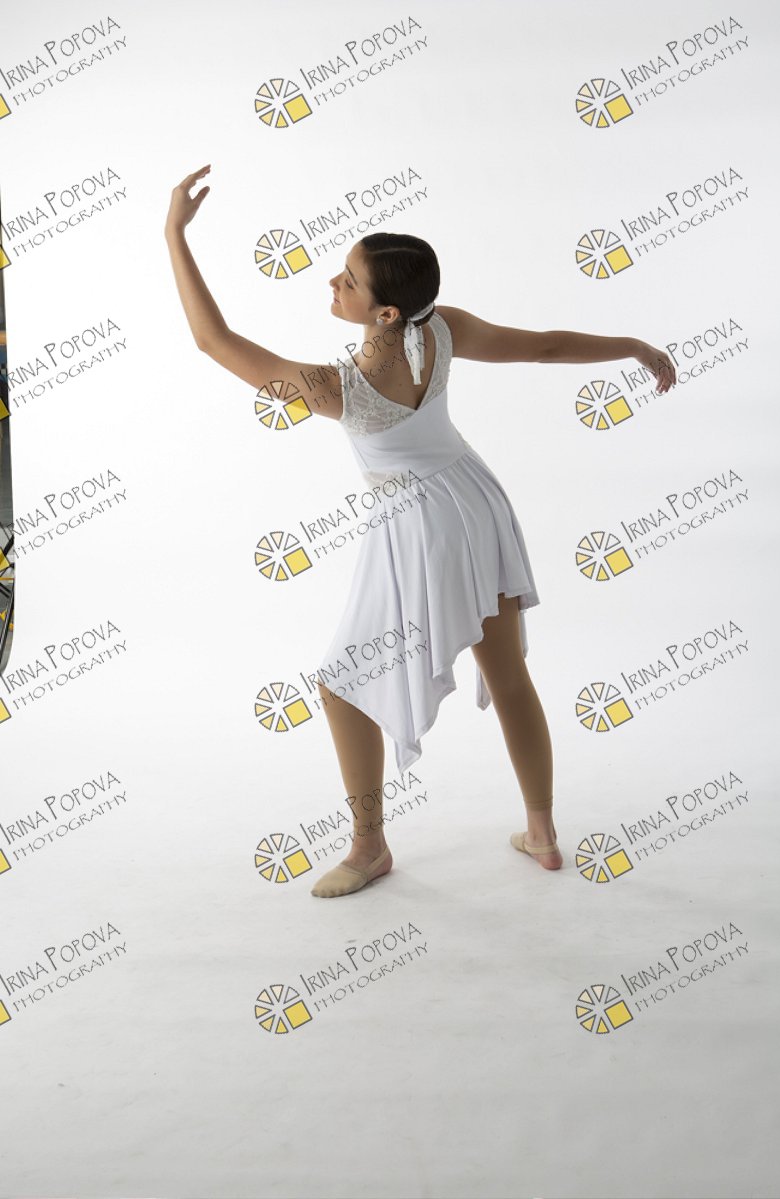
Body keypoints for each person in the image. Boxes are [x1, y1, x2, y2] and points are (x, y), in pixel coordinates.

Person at [165, 164, 677, 900]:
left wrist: (175, 236)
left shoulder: (341, 389)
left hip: (419, 528)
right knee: (507, 673)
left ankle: (369, 846)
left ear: (383, 314)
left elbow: (212, 341)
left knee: (342, 685)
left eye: (347, 280)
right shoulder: (441, 326)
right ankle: (541, 831)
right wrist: (632, 344)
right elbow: (543, 348)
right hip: (479, 503)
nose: (332, 283)